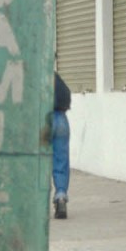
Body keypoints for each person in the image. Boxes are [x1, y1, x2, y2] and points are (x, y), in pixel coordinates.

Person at [52, 71, 72, 219]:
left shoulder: (29, 75)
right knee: (61, 161)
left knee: (39, 162)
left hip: (41, 119)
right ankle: (60, 196)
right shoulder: (55, 77)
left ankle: (37, 202)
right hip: (61, 120)